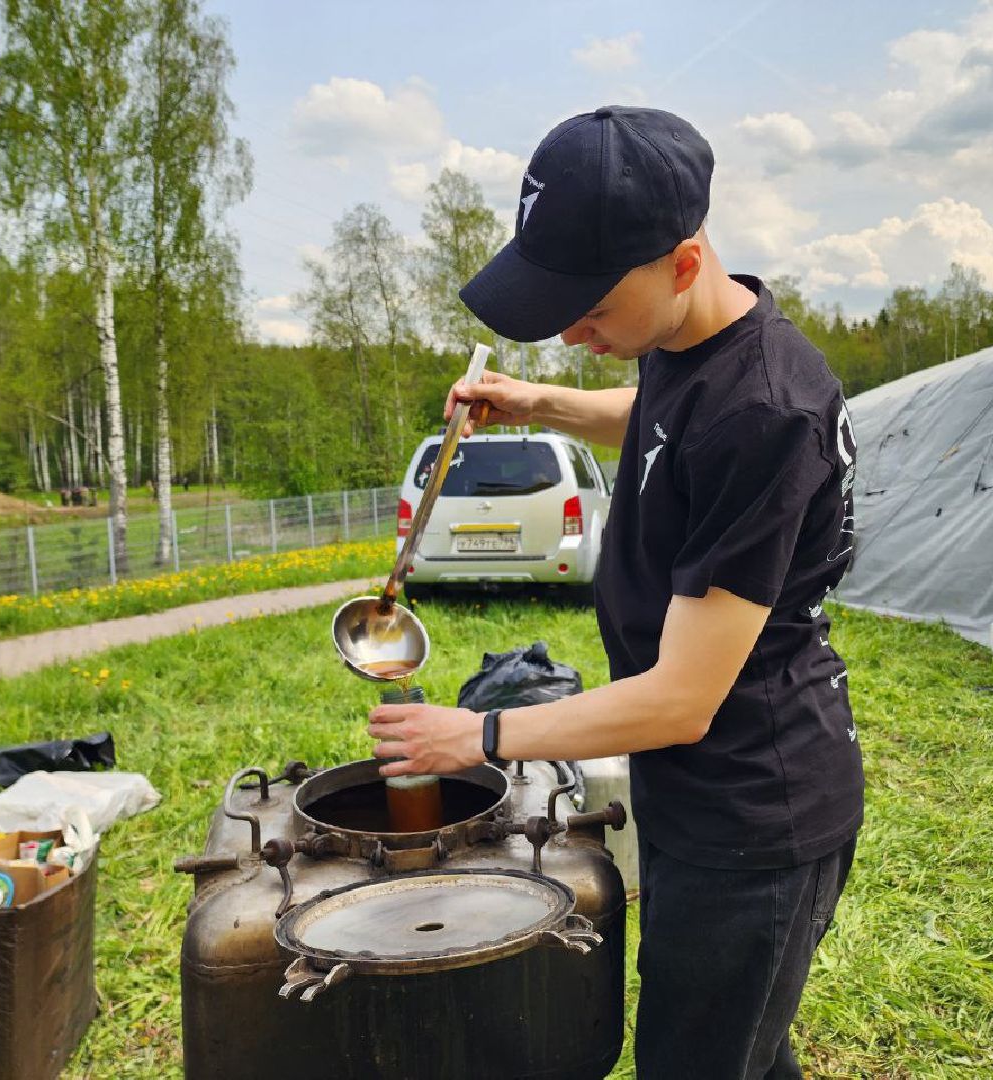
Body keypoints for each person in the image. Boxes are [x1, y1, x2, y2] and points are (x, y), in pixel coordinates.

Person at [367, 106, 864, 1079]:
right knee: (742, 1049)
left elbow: (680, 702)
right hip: (699, 790)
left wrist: (479, 735)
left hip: (754, 813)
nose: (570, 330)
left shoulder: (764, 413)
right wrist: (537, 401)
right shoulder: (694, 346)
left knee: (696, 1059)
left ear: (683, 264)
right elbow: (661, 418)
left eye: (588, 308)